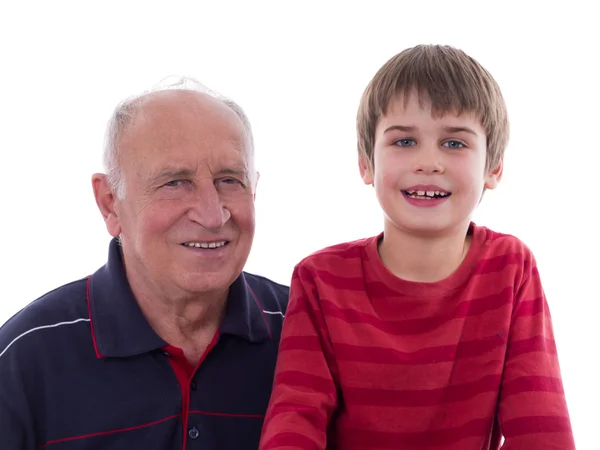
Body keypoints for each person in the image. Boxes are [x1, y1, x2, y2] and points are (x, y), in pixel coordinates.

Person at [260, 45, 575, 449]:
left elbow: (542, 430)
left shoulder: (511, 268)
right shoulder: (319, 279)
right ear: (366, 164)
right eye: (405, 142)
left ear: (493, 168)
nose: (428, 162)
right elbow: (294, 421)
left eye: (455, 143)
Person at [0, 77, 288, 450]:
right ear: (109, 203)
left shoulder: (307, 332)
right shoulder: (27, 356)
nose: (213, 214)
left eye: (229, 179)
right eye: (175, 182)